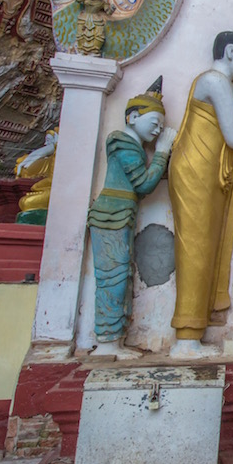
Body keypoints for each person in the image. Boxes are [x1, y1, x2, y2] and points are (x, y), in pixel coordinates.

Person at [168, 31, 233, 359]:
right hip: (196, 170)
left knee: (204, 245)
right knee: (195, 247)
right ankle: (186, 339)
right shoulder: (215, 81)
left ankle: (192, 332)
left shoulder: (224, 86)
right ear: (228, 51)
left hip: (207, 170)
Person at [86, 79, 175, 359]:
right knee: (113, 276)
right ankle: (107, 342)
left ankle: (114, 340)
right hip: (110, 218)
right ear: (133, 117)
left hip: (121, 217)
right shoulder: (122, 143)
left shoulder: (131, 146)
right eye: (155, 121)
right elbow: (143, 185)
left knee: (121, 275)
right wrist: (162, 150)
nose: (158, 129)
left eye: (161, 125)